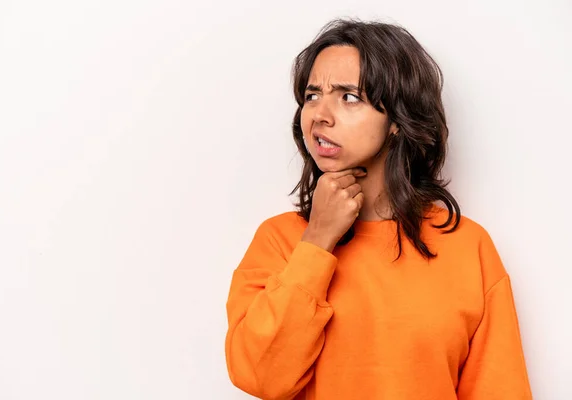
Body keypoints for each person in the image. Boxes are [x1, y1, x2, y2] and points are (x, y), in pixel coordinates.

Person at [224, 18, 532, 400]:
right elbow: (260, 377)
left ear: (397, 122)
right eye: (312, 95)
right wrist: (318, 241)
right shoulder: (280, 241)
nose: (320, 114)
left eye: (348, 97)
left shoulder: (467, 246)